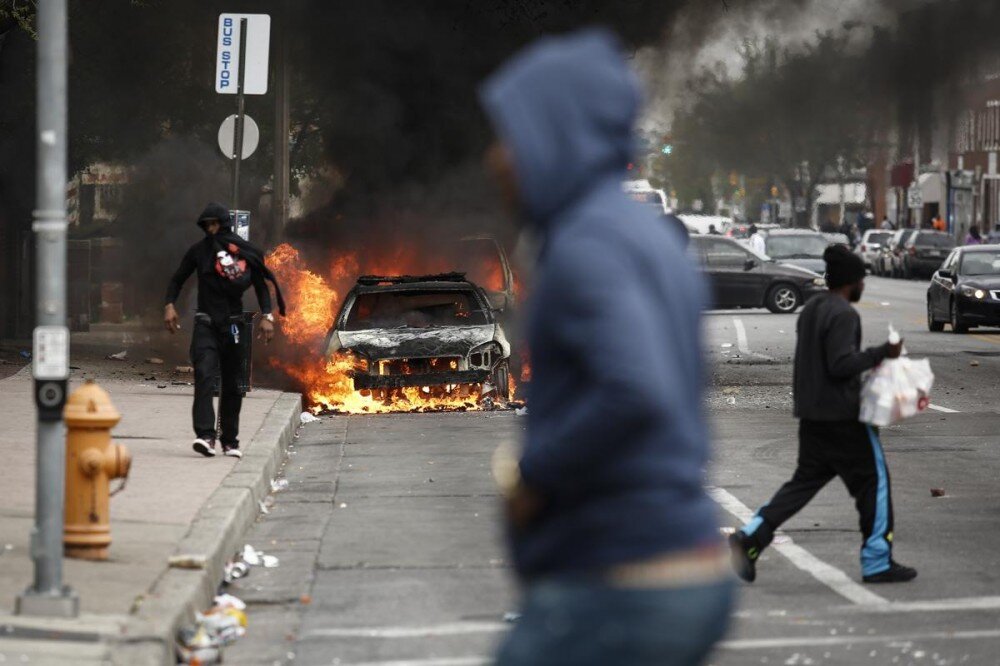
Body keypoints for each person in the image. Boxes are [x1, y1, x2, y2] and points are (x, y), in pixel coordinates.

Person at [480, 28, 733, 665]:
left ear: (556, 135)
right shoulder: (643, 235)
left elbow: (635, 386)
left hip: (622, 578)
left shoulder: (587, 244)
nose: (496, 158)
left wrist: (533, 477)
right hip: (676, 563)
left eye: (511, 135)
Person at [729, 245, 916, 585]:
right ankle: (877, 560)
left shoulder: (812, 308)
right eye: (861, 280)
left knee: (802, 485)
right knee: (874, 485)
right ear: (850, 282)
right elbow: (840, 364)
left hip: (812, 417)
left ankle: (750, 538)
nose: (863, 286)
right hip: (844, 420)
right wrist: (882, 354)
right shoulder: (844, 314)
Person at [164, 203, 286, 458]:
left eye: (215, 224)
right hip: (205, 324)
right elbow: (177, 278)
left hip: (233, 326)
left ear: (224, 225)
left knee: (232, 385)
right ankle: (206, 436)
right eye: (207, 225)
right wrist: (169, 305)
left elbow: (261, 286)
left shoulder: (243, 252)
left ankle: (230, 441)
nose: (211, 229)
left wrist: (267, 316)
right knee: (205, 378)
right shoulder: (199, 252)